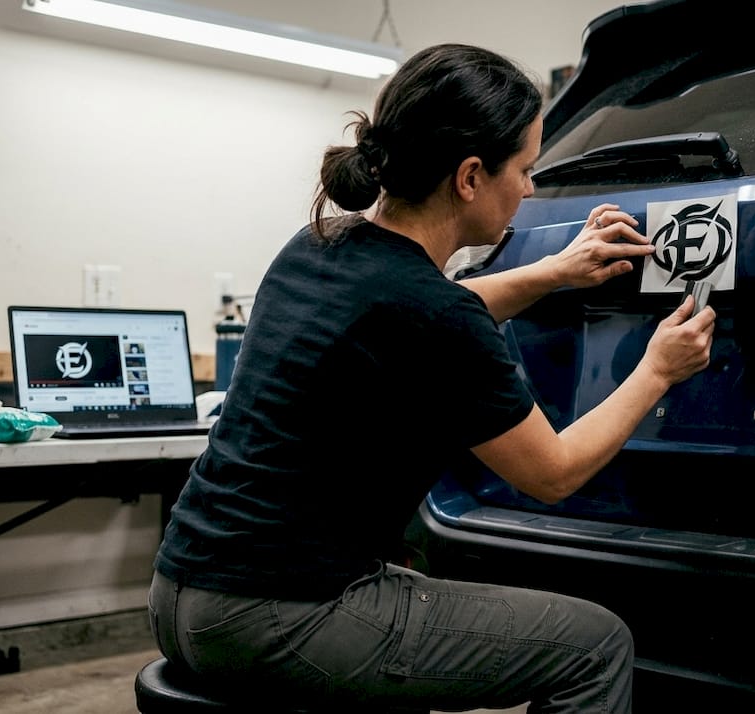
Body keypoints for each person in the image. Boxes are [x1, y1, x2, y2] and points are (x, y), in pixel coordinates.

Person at [148, 43, 715, 714]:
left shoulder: (318, 244)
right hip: (279, 619)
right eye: (525, 169)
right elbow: (553, 472)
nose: (530, 189)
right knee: (596, 647)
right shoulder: (434, 315)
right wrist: (656, 369)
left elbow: (421, 314)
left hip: (179, 595)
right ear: (470, 176)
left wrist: (553, 272)